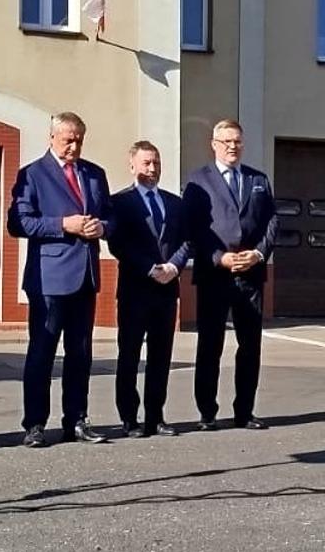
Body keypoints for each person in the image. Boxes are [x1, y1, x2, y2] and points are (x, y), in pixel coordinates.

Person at [9, 112, 117, 447]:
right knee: (42, 352)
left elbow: (111, 216)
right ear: (52, 137)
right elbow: (19, 223)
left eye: (79, 140)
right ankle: (35, 424)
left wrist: (103, 227)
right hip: (49, 279)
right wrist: (62, 225)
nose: (74, 146)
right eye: (68, 139)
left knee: (80, 353)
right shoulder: (33, 174)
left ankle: (76, 420)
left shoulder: (94, 174)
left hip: (85, 275)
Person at [184, 118, 277, 431]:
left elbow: (272, 223)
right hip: (215, 274)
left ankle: (244, 411)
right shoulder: (198, 181)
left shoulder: (258, 179)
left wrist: (258, 253)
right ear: (214, 145)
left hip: (250, 274)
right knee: (210, 345)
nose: (232, 147)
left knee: (250, 345)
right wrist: (219, 257)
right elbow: (194, 228)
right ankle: (207, 412)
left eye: (236, 141)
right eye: (225, 142)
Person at [106, 140, 193, 438]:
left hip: (167, 290)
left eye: (156, 162)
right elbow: (118, 243)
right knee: (129, 354)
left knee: (161, 355)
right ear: (132, 165)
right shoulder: (119, 202)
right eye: (146, 163)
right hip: (134, 289)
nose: (152, 168)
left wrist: (173, 267)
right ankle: (129, 418)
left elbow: (186, 240)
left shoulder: (174, 203)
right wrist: (149, 268)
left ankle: (156, 416)